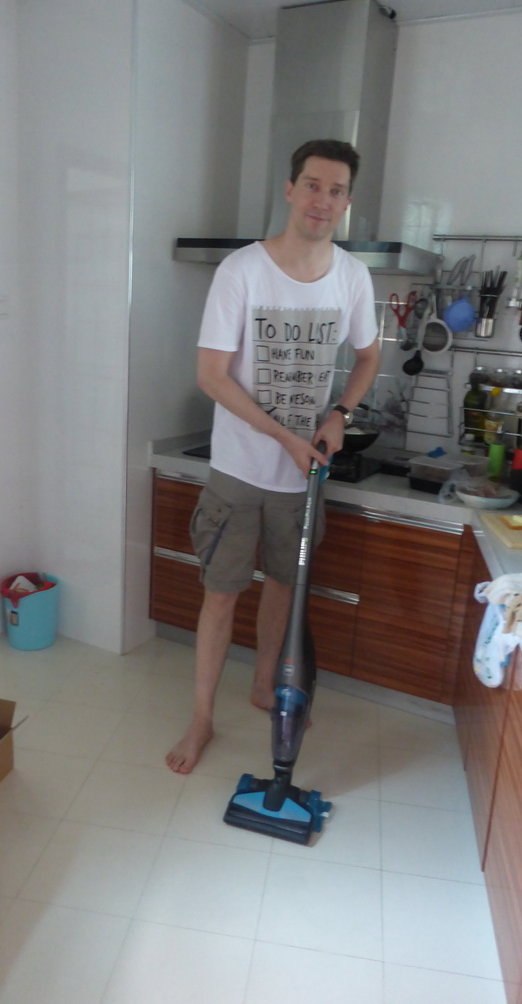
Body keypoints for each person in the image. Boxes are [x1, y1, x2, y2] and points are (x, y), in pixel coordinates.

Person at [166, 139, 380, 774]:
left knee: (283, 592)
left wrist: (339, 413)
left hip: (300, 476)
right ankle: (201, 718)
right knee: (222, 595)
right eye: (312, 185)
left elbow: (368, 356)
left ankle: (262, 686)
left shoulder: (352, 277)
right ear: (290, 190)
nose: (323, 200)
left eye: (336, 190)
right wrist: (287, 437)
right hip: (239, 471)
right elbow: (210, 374)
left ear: (346, 203)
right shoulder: (242, 272)